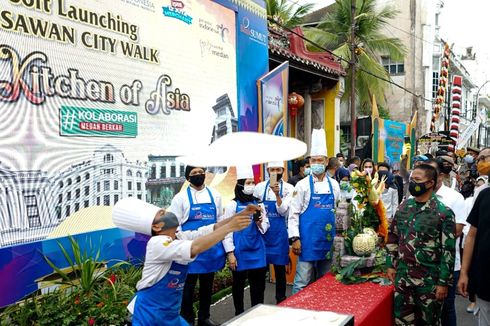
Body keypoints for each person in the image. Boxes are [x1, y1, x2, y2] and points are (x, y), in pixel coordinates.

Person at [112, 198, 256, 325]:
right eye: (162, 214)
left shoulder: (179, 236)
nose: (168, 212)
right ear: (156, 226)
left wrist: (240, 215)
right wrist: (230, 228)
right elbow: (195, 247)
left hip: (170, 314)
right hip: (149, 315)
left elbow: (211, 229)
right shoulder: (157, 243)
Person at [386, 164, 456, 325]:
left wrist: (443, 283)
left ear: (430, 183)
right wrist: (390, 264)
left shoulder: (443, 213)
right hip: (403, 280)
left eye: (417, 180)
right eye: (411, 179)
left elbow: (448, 251)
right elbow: (393, 237)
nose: (413, 183)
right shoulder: (404, 208)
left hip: (429, 283)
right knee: (402, 321)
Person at [168, 166, 224, 326]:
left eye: (201, 172)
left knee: (207, 286)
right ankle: (187, 319)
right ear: (188, 178)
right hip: (189, 250)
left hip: (211, 249)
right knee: (187, 289)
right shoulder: (180, 198)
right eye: (194, 173)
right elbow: (174, 225)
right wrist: (182, 243)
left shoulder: (215, 195)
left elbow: (220, 220)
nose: (198, 175)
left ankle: (204, 318)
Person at [289, 128, 340, 294]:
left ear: (326, 162)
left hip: (328, 241)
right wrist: (295, 239)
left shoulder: (334, 185)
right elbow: (293, 214)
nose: (316, 163)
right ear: (309, 162)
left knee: (325, 282)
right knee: (302, 282)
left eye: (320, 160)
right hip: (307, 242)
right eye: (313, 160)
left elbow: (339, 211)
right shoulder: (302, 185)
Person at [424, 159, 466, 326]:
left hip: (446, 266)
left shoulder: (455, 198)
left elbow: (457, 231)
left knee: (446, 308)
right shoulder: (416, 195)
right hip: (420, 265)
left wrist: (423, 238)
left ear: (440, 176)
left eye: (430, 173)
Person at [223, 166, 269, 316]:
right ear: (240, 185)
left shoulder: (259, 204)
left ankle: (257, 314)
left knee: (258, 286)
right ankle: (239, 314)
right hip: (239, 251)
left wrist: (259, 221)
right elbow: (227, 231)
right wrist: (230, 253)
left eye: (252, 182)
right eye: (248, 182)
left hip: (257, 250)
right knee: (238, 285)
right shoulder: (232, 205)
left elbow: (265, 228)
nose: (251, 186)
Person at [254, 161, 294, 303]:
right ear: (268, 170)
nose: (275, 172)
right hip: (262, 235)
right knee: (260, 270)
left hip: (279, 234)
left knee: (280, 270)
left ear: (283, 170)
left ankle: (281, 300)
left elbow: (283, 211)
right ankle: (258, 303)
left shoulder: (289, 188)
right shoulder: (259, 188)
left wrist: (277, 195)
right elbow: (255, 208)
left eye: (278, 169)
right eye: (272, 169)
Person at [458, 148, 490, 326]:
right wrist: (464, 272)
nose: (480, 163)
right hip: (485, 279)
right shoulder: (484, 195)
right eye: (479, 159)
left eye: (484, 158)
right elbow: (471, 235)